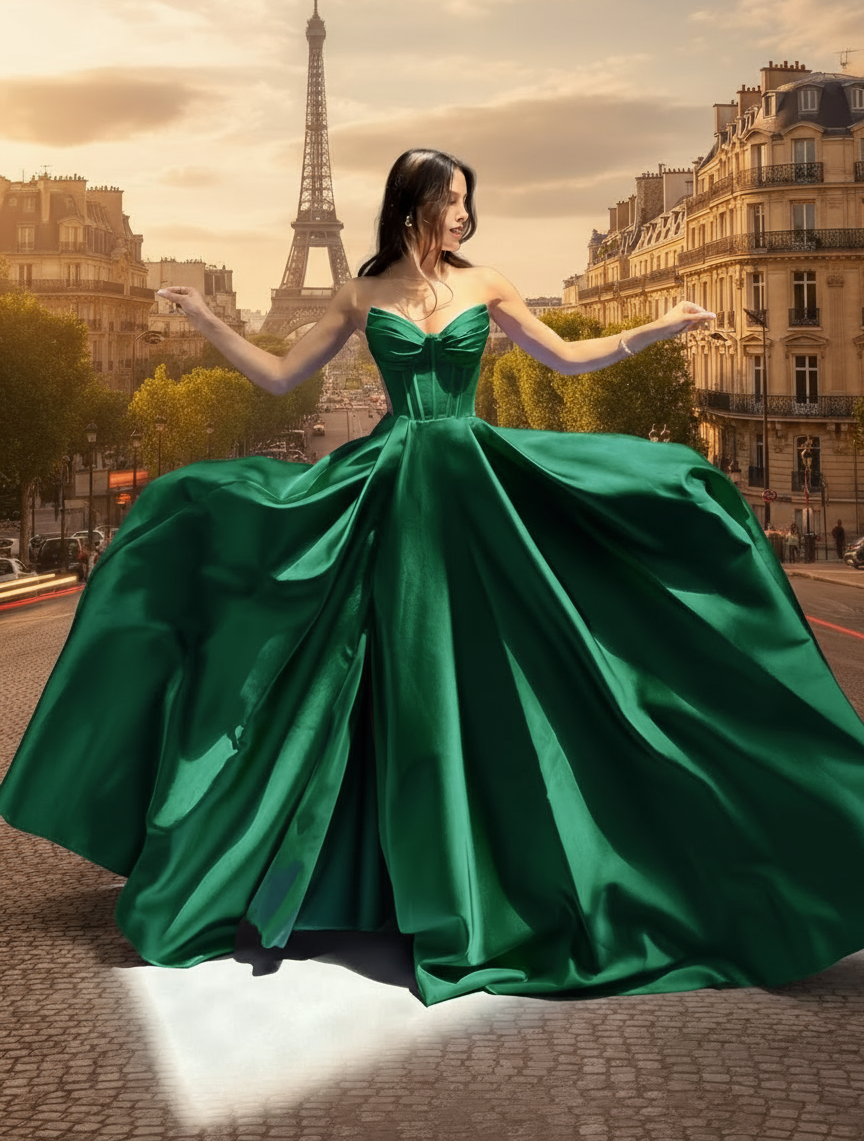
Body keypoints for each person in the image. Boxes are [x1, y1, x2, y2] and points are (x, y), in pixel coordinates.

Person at [4, 148, 864, 1009]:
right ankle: (396, 877)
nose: (464, 214)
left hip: (468, 485)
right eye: (452, 200)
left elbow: (565, 358)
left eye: (466, 201)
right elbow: (279, 375)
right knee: (380, 679)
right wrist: (202, 318)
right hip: (393, 488)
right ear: (413, 204)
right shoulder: (359, 292)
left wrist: (658, 328)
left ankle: (494, 873)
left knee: (491, 673)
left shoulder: (486, 283)